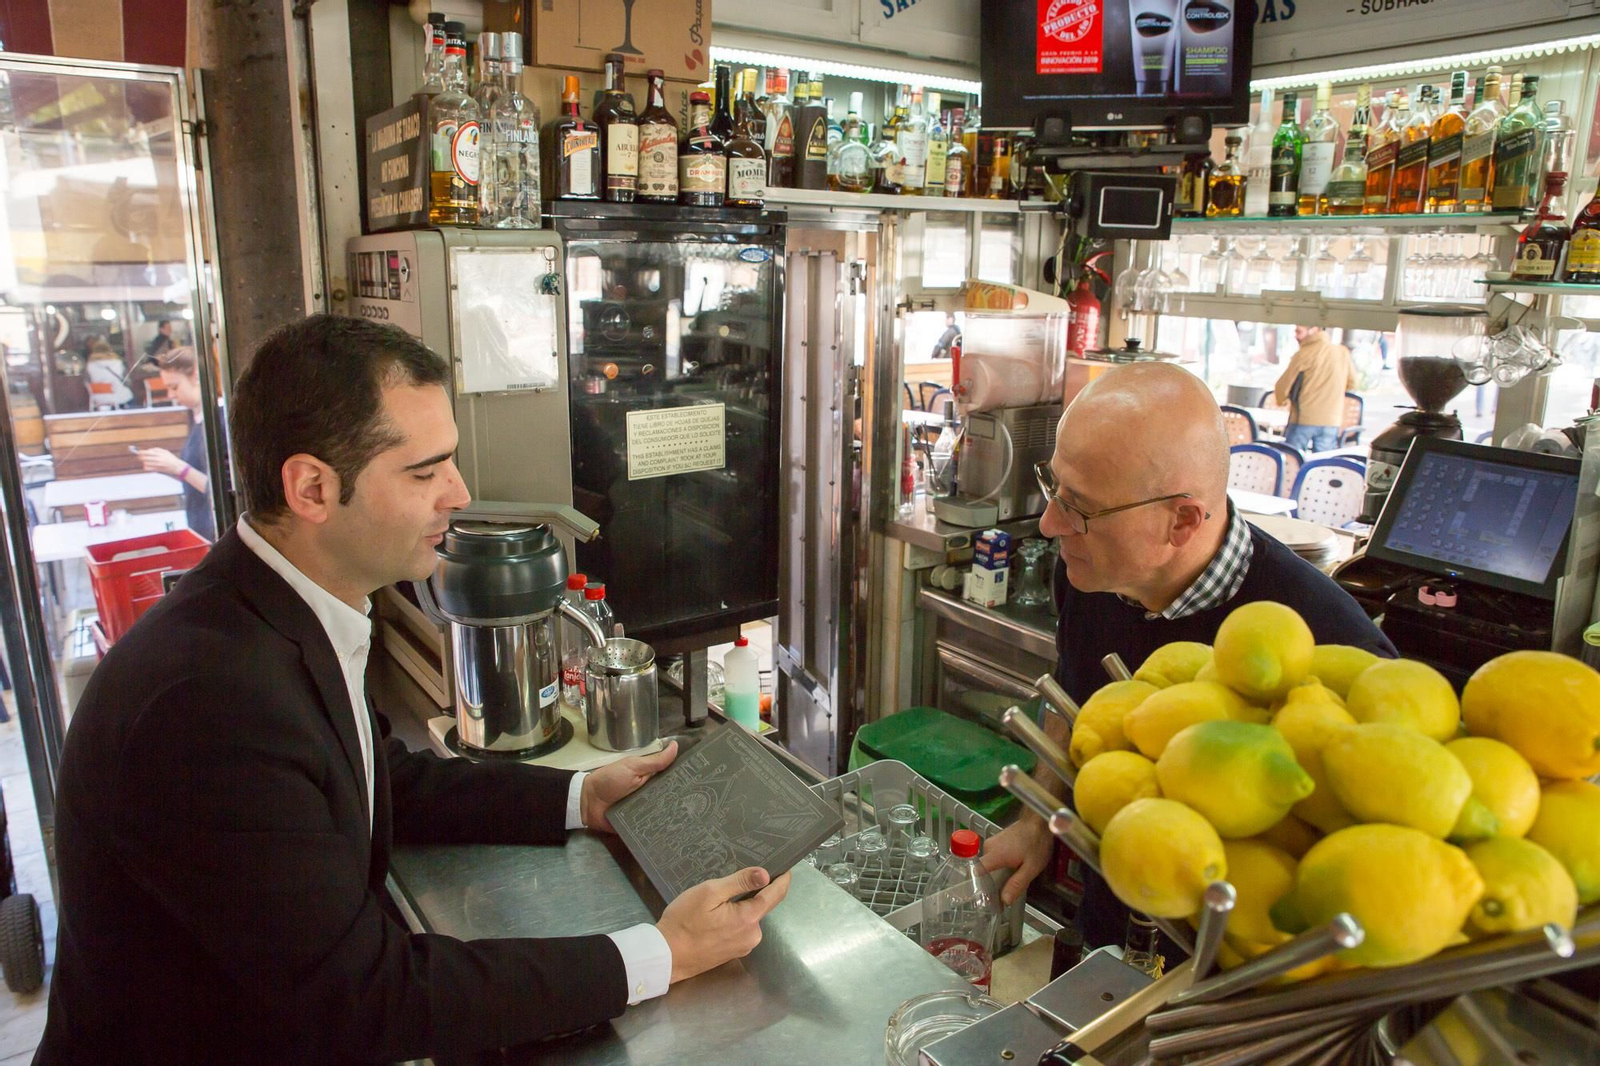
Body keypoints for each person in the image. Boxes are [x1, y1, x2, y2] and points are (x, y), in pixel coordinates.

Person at [37, 315, 791, 1064]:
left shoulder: (278, 611)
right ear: (312, 487)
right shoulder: (208, 701)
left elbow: (375, 778)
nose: (458, 493)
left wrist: (580, 797)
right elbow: (358, 1000)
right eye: (424, 473)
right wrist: (661, 954)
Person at [979, 363, 1394, 950]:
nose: (1050, 525)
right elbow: (1074, 696)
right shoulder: (1091, 574)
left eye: (1080, 508)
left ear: (1183, 520)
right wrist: (1038, 820)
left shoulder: (1328, 646)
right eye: (1054, 488)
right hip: (1113, 918)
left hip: (1236, 960)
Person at [135, 346, 215, 540]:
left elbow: (223, 491)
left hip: (214, 530)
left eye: (174, 387)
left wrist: (179, 468)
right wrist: (167, 467)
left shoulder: (217, 421)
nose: (170, 395)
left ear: (196, 376)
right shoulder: (197, 419)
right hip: (201, 527)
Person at [1274, 325, 1355, 453]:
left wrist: (1282, 401)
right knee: (1322, 461)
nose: (1296, 336)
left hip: (1304, 417)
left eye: (1299, 331)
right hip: (1331, 419)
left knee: (1292, 458)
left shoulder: (1303, 354)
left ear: (1314, 329)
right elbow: (1352, 383)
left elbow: (1282, 386)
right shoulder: (1342, 352)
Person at [83, 339, 133, 409]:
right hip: (119, 397)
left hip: (99, 399)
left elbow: (87, 382)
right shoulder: (118, 363)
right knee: (130, 398)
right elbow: (127, 381)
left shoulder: (89, 366)